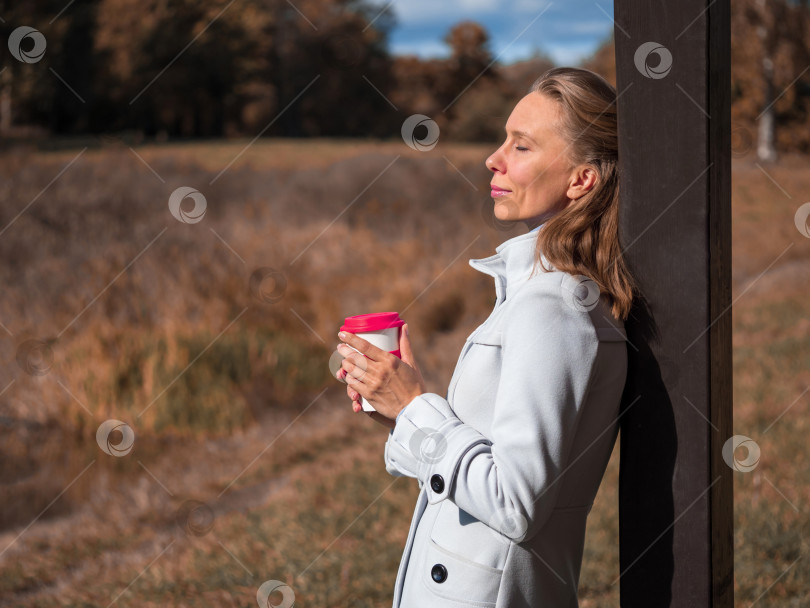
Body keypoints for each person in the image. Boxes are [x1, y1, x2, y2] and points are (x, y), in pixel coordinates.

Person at [336, 66, 639, 607]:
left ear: (581, 179)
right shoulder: (540, 294)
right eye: (503, 139)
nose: (493, 159)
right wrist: (400, 413)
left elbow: (515, 502)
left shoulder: (554, 308)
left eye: (520, 146)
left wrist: (417, 406)